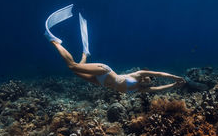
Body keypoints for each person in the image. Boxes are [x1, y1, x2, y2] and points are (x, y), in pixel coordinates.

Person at [45, 5, 186, 93]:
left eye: (149, 80)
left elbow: (158, 89)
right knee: (73, 66)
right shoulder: (138, 74)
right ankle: (54, 41)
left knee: (76, 71)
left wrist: (174, 85)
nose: (149, 80)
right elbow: (159, 74)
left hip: (100, 82)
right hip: (105, 71)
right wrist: (176, 77)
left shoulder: (140, 89)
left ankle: (85, 53)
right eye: (149, 78)